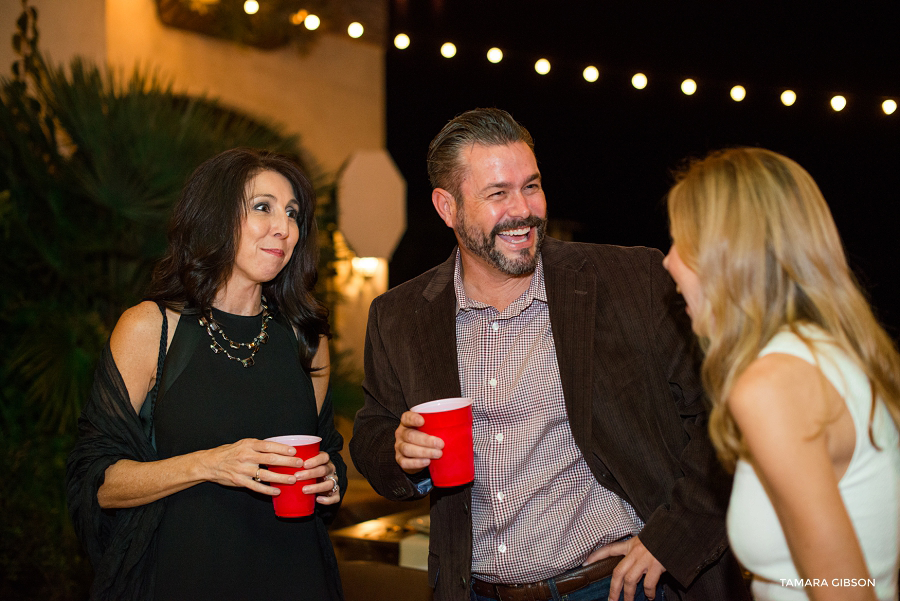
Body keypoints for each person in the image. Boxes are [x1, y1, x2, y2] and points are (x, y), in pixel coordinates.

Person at [350, 108, 749, 601]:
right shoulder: (400, 315)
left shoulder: (631, 281)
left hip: (614, 588)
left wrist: (671, 541)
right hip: (472, 591)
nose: (523, 210)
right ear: (446, 207)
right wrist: (398, 451)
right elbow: (371, 430)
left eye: (531, 186)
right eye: (498, 194)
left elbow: (724, 416)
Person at [66, 148, 346, 601]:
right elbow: (97, 483)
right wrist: (209, 464)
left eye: (293, 213)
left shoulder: (306, 338)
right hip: (187, 575)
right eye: (263, 207)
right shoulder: (151, 328)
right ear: (215, 216)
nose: (284, 227)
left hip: (297, 575)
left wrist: (329, 479)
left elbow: (327, 454)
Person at [663, 147, 900, 601]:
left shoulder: (772, 384)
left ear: (729, 253)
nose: (668, 261)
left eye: (680, 241)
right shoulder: (827, 351)